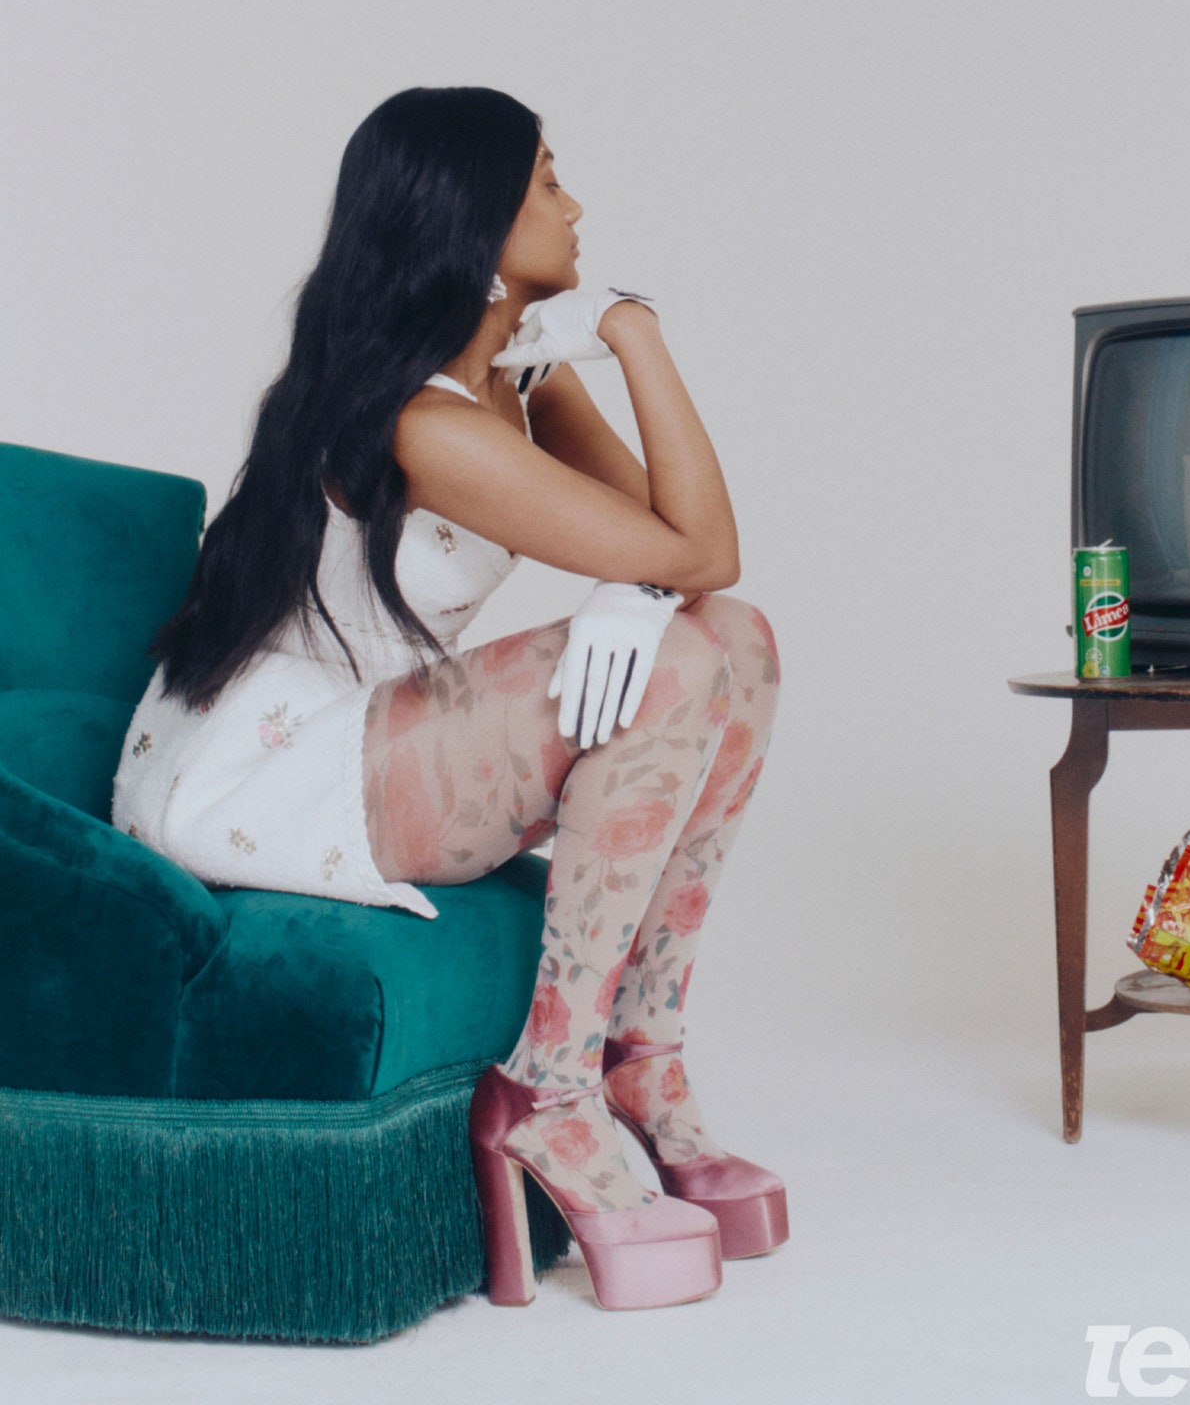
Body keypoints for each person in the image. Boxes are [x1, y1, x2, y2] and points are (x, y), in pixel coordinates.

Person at [111, 86, 784, 1312]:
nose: (573, 207)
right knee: (688, 648)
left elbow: (683, 558)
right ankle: (553, 1089)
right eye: (543, 183)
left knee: (736, 642)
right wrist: (634, 332)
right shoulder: (423, 418)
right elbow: (699, 544)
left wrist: (638, 584)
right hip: (272, 768)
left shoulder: (509, 385)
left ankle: (644, 1054)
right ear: (470, 219)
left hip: (376, 729)